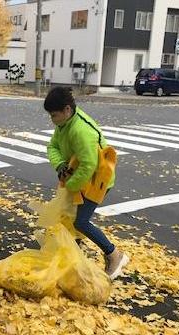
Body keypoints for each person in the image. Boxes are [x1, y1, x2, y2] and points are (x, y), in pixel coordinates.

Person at [44, 86, 129, 280]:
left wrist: (71, 187)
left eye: (54, 115)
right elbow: (52, 146)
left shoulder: (80, 131)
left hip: (97, 182)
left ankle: (114, 255)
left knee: (80, 221)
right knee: (69, 217)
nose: (52, 120)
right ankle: (73, 260)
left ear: (67, 110)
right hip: (79, 179)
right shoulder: (63, 125)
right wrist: (60, 166)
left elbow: (89, 165)